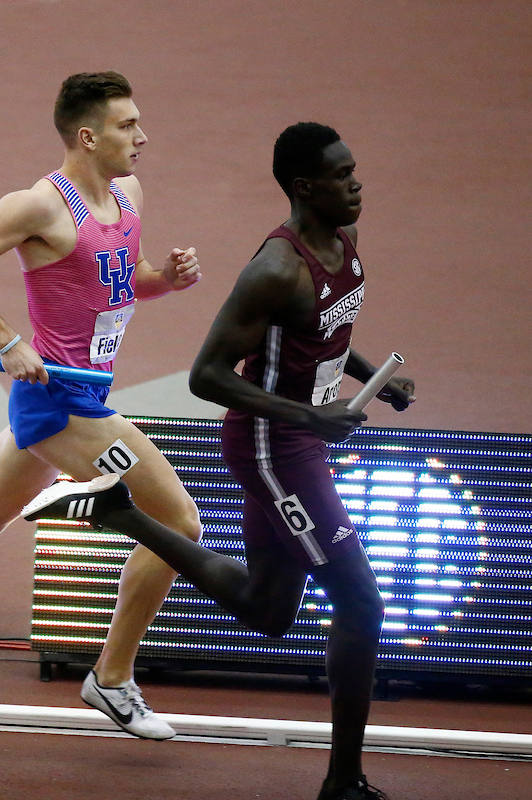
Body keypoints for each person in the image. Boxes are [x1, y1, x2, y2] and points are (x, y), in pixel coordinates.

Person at [23, 122, 413, 800]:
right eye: (343, 176)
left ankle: (119, 512)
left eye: (356, 173)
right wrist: (313, 417)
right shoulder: (275, 268)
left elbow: (321, 328)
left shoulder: (340, 242)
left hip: (298, 440)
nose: (357, 185)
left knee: (269, 611)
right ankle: (342, 783)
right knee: (361, 604)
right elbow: (207, 376)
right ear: (305, 187)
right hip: (272, 448)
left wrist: (373, 373)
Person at [0, 71, 201, 739]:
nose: (142, 136)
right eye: (127, 126)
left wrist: (166, 281)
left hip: (86, 394)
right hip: (57, 406)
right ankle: (112, 678)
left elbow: (127, 282)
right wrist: (7, 340)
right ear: (88, 136)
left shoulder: (129, 193)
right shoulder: (38, 205)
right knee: (179, 522)